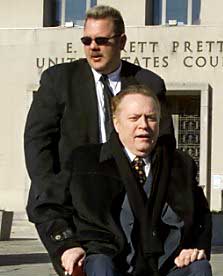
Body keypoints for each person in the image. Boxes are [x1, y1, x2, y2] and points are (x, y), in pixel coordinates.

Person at [33, 85, 217, 276]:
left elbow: (201, 215)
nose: (143, 126)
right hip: (110, 268)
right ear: (116, 123)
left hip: (164, 270)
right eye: (134, 118)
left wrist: (196, 244)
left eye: (151, 118)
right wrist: (67, 245)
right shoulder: (85, 161)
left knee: (199, 269)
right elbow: (47, 206)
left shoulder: (179, 165)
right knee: (99, 264)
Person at [24, 4, 174, 231]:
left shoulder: (148, 83)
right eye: (87, 41)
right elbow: (37, 141)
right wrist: (50, 190)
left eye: (102, 40)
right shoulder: (59, 80)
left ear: (121, 42)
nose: (93, 47)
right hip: (73, 201)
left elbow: (164, 144)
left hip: (130, 202)